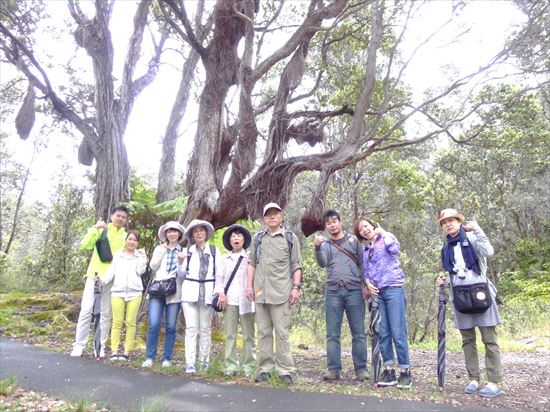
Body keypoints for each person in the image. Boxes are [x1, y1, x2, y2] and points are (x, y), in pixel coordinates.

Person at [436, 208, 502, 398]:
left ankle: (493, 381)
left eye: (452, 220)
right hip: (460, 296)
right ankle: (473, 378)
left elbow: (488, 251)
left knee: (489, 339)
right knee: (467, 340)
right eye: (445, 222)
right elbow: (452, 274)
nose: (449, 224)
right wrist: (444, 282)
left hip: (481, 293)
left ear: (459, 221)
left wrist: (478, 230)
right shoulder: (446, 248)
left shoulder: (472, 238)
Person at [246, 202, 302, 385]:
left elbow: (296, 265)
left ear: (282, 217)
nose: (272, 217)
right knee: (263, 332)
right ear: (264, 219)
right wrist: (249, 286)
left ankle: (285, 370)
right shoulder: (258, 238)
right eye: (268, 214)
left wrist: (296, 287)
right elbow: (252, 263)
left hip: (282, 292)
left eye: (275, 214)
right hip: (261, 292)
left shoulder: (290, 238)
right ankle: (265, 369)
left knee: (282, 333)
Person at [355, 217, 412, 389]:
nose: (365, 230)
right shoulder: (366, 250)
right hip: (378, 292)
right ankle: (389, 371)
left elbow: (394, 250)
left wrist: (384, 232)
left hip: (393, 287)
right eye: (361, 229)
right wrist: (368, 283)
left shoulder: (386, 238)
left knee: (397, 330)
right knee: (384, 331)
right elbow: (366, 270)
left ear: (373, 225)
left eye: (366, 226)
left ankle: (405, 372)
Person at [314, 209, 369, 382]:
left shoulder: (354, 241)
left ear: (340, 222)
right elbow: (322, 263)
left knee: (359, 332)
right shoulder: (325, 245)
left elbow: (363, 264)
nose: (332, 225)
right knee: (332, 333)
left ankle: (361, 369)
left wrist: (365, 286)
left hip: (354, 290)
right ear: (325, 227)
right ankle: (333, 369)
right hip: (333, 291)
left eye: (334, 221)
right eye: (328, 223)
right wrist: (316, 247)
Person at [71, 205, 129, 358]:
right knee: (86, 310)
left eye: (124, 217)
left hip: (112, 280)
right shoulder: (102, 229)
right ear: (112, 216)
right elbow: (85, 245)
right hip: (94, 276)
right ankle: (79, 345)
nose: (120, 218)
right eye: (118, 215)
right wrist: (94, 228)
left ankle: (100, 345)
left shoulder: (125, 236)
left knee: (105, 313)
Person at [177, 219, 223, 374]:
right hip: (190, 292)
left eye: (201, 230)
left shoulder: (215, 251)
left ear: (206, 233)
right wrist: (180, 261)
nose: (199, 233)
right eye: (195, 231)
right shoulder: (187, 252)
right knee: (191, 328)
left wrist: (219, 292)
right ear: (192, 235)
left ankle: (204, 362)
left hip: (208, 293)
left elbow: (219, 274)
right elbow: (182, 274)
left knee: (205, 329)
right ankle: (190, 363)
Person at [142, 221, 186, 368]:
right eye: (169, 231)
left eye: (175, 231)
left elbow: (184, 273)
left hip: (175, 291)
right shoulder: (160, 249)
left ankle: (167, 358)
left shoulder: (184, 251)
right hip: (157, 289)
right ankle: (150, 357)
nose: (172, 234)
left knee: (171, 326)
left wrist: (181, 259)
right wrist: (161, 250)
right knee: (154, 324)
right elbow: (153, 266)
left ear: (179, 234)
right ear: (165, 234)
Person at [214, 224, 255, 378]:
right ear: (229, 240)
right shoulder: (224, 258)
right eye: (233, 236)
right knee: (230, 334)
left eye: (239, 235)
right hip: (229, 299)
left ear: (244, 239)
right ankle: (230, 365)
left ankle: (249, 366)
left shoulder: (250, 257)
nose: (236, 238)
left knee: (248, 335)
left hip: (247, 300)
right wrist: (220, 294)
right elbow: (219, 278)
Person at [99, 230, 147, 361]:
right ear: (126, 240)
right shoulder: (117, 255)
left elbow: (140, 271)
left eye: (135, 240)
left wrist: (144, 259)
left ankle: (126, 352)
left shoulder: (139, 256)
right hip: (117, 292)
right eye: (130, 239)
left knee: (131, 322)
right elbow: (111, 273)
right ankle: (114, 351)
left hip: (135, 293)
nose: (132, 242)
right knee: (117, 323)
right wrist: (101, 281)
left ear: (138, 243)